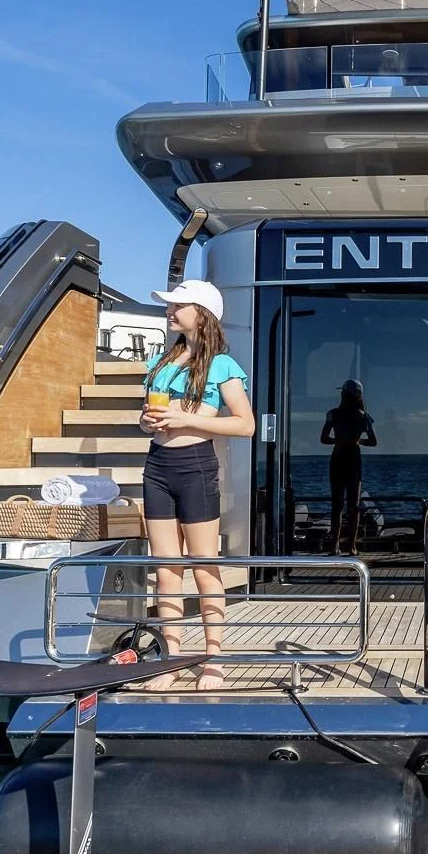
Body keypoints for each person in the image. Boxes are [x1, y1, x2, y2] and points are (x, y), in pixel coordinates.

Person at [137, 279, 255, 689]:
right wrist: (147, 421)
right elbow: (145, 417)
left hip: (196, 465)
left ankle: (213, 659)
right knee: (165, 570)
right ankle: (170, 658)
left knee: (205, 567)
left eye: (177, 305)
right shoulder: (160, 361)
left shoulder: (222, 364)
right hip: (157, 465)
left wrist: (188, 420)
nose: (169, 311)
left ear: (201, 313)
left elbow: (246, 424)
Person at [320, 379, 378, 554]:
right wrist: (357, 441)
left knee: (337, 505)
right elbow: (373, 442)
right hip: (353, 460)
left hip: (338, 460)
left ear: (343, 394)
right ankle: (351, 546)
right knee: (353, 505)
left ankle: (335, 545)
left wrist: (338, 440)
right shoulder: (363, 416)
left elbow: (323, 438)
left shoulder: (334, 414)